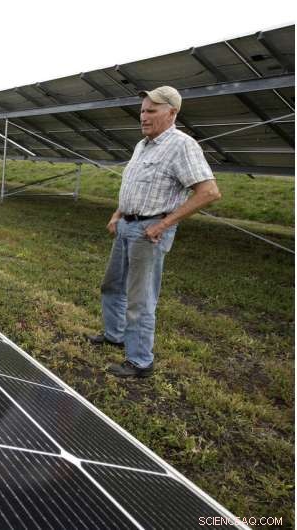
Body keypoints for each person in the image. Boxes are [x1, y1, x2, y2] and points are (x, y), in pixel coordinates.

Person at [86, 86, 222, 378]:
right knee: (112, 286)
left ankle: (139, 361)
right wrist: (118, 213)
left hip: (150, 231)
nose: (143, 117)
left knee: (140, 298)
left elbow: (209, 192)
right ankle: (114, 335)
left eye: (151, 111)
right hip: (126, 225)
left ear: (172, 113)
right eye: (142, 111)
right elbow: (134, 186)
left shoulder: (182, 146)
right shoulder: (142, 145)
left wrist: (163, 224)